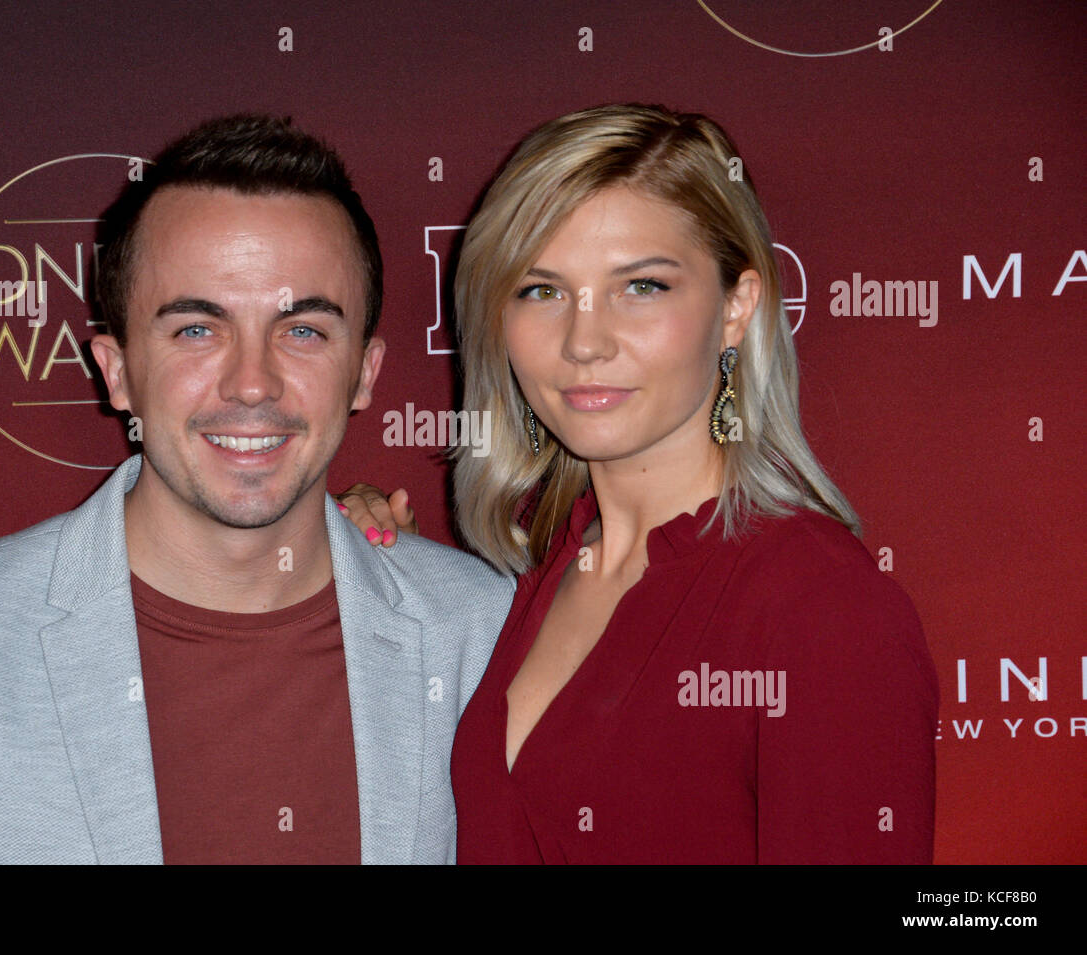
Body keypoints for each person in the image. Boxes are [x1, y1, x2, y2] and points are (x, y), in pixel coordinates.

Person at [0, 114, 514, 865]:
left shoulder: (476, 627)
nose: (252, 382)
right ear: (116, 370)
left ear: (364, 373)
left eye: (302, 330)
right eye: (196, 330)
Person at [338, 103, 939, 863]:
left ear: (736, 308)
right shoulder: (540, 569)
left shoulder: (820, 605)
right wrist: (378, 558)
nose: (585, 341)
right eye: (542, 289)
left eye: (642, 286)